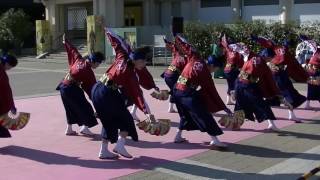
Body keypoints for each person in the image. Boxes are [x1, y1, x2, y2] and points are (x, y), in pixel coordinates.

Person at [91, 28, 156, 159]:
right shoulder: (131, 75)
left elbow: (117, 42)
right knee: (127, 121)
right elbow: (138, 95)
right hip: (108, 93)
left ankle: (104, 151)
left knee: (109, 120)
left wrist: (107, 30)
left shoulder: (122, 55)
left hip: (97, 89)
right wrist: (148, 114)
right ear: (137, 60)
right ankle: (119, 145)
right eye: (143, 61)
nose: (144, 64)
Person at [172, 35, 231, 147]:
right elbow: (212, 91)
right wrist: (224, 107)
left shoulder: (195, 57)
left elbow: (188, 47)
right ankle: (215, 139)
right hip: (186, 93)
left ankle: (178, 136)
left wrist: (178, 37)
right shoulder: (205, 73)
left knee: (185, 115)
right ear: (212, 65)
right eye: (216, 69)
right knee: (205, 115)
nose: (214, 71)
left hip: (177, 90)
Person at [56, 34, 105, 136]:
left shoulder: (79, 59)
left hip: (62, 86)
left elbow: (72, 50)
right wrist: (98, 102)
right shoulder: (88, 71)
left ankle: (69, 129)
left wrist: (66, 42)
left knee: (69, 108)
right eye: (99, 63)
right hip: (70, 88)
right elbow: (92, 89)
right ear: (94, 62)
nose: (98, 66)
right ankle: (85, 128)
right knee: (86, 108)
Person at [252, 36, 308, 123]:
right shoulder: (269, 50)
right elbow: (266, 44)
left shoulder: (278, 50)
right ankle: (264, 115)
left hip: (280, 75)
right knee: (283, 96)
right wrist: (257, 39)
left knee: (287, 96)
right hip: (276, 77)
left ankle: (290, 115)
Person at [232, 43, 283, 131]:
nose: (271, 59)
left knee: (257, 103)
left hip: (246, 83)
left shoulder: (256, 59)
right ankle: (237, 124)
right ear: (267, 56)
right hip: (244, 84)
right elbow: (257, 72)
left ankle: (271, 124)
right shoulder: (258, 59)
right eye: (271, 57)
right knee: (243, 104)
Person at [161, 38, 188, 113]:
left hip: (168, 73)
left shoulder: (176, 52)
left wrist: (167, 42)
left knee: (174, 90)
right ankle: (181, 107)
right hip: (172, 74)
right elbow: (183, 72)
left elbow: (172, 45)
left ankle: (171, 108)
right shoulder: (184, 58)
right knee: (178, 90)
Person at [220, 34, 244, 105]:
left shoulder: (227, 49)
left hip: (227, 70)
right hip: (234, 69)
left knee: (230, 85)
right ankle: (236, 98)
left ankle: (228, 100)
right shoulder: (238, 49)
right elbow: (240, 60)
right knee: (236, 85)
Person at [0, 53, 18, 138]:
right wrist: (11, 106)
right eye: (10, 67)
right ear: (7, 64)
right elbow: (6, 92)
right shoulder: (2, 74)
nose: (10, 69)